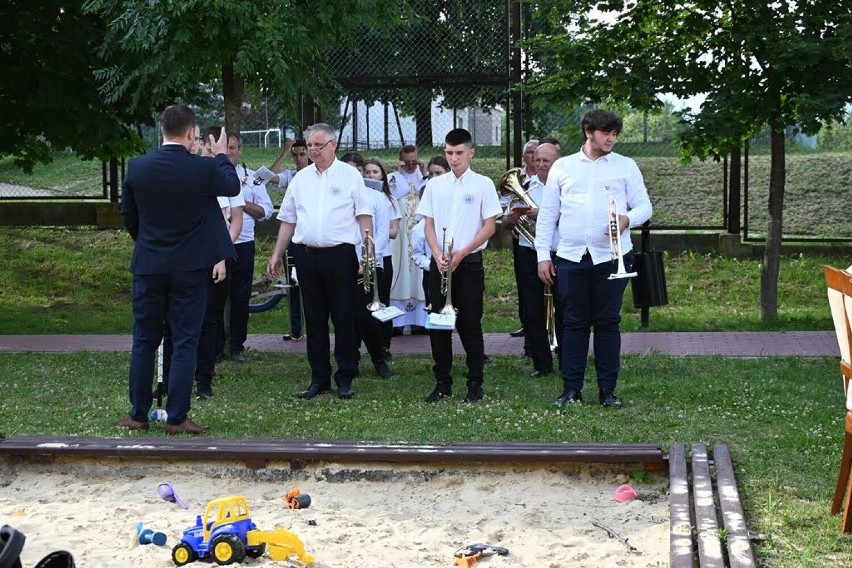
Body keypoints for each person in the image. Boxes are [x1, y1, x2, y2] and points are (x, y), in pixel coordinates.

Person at [119, 105, 239, 435]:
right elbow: (231, 187)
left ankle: (138, 413)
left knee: (144, 340)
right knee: (185, 341)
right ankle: (177, 417)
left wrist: (147, 243)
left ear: (162, 131)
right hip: (190, 267)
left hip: (149, 264)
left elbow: (128, 214)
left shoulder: (138, 167)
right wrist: (218, 155)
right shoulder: (202, 168)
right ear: (191, 134)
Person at [535, 109, 653, 408]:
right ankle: (571, 389)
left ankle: (607, 391)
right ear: (589, 132)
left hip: (612, 256)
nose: (611, 138)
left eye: (615, 133)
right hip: (570, 257)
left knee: (608, 323)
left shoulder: (626, 166)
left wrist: (627, 219)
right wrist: (542, 256)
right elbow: (548, 214)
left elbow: (645, 206)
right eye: (606, 133)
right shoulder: (563, 167)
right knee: (572, 324)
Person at [266, 123, 373, 400]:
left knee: (344, 317)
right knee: (314, 319)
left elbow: (364, 216)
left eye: (317, 145)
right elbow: (288, 219)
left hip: (341, 255)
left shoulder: (350, 176)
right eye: (309, 145)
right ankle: (319, 377)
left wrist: (366, 254)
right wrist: (277, 254)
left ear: (333, 145)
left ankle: (346, 375)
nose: (312, 150)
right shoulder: (301, 179)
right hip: (307, 256)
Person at [417, 128, 502, 403]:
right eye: (449, 153)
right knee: (438, 324)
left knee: (469, 325)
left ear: (471, 153)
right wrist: (436, 252)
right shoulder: (434, 185)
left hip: (469, 264)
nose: (453, 159)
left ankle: (474, 383)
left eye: (459, 153)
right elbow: (427, 224)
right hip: (440, 262)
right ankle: (442, 382)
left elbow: (489, 227)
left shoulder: (483, 184)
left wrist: (462, 252)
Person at [503, 143, 561, 378]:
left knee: (565, 308)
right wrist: (509, 221)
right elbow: (509, 220)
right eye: (537, 160)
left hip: (560, 251)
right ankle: (541, 364)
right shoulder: (526, 187)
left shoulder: (567, 186)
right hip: (530, 251)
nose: (540, 164)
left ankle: (568, 359)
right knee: (532, 308)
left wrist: (544, 215)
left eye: (545, 160)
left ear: (557, 160)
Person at [225, 132, 274, 363]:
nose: (229, 152)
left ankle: (236, 346)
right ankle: (214, 346)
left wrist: (241, 203)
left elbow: (266, 212)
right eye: (225, 148)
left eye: (233, 148)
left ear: (240, 150)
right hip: (214, 244)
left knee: (240, 296)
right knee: (213, 298)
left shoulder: (252, 178)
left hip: (243, 244)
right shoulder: (207, 175)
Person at [271, 138, 311, 341]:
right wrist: (285, 152)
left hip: (311, 238)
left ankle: (314, 326)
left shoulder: (317, 175)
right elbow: (269, 176)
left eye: (302, 154)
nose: (298, 158)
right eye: (295, 155)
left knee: (311, 284)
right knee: (293, 283)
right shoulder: (292, 176)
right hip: (293, 236)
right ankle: (296, 329)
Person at [363, 157, 401, 360]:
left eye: (375, 172)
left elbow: (394, 231)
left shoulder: (389, 200)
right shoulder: (359, 197)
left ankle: (384, 346)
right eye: (367, 172)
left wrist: (376, 232)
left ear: (382, 175)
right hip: (363, 257)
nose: (371, 176)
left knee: (382, 301)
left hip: (382, 256)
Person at [389, 145, 427, 335]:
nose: (412, 166)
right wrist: (398, 172)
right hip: (400, 236)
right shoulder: (393, 178)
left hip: (419, 233)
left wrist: (424, 173)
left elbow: (425, 194)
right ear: (401, 160)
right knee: (400, 268)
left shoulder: (424, 176)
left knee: (419, 273)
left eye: (414, 161)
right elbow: (395, 195)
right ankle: (397, 322)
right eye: (408, 162)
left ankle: (420, 321)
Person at [508, 139, 539, 342]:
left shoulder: (553, 178)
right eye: (530, 153)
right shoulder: (517, 180)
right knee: (525, 286)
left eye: (537, 153)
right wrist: (509, 220)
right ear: (523, 157)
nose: (534, 157)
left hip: (548, 240)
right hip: (524, 240)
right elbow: (505, 207)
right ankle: (527, 325)